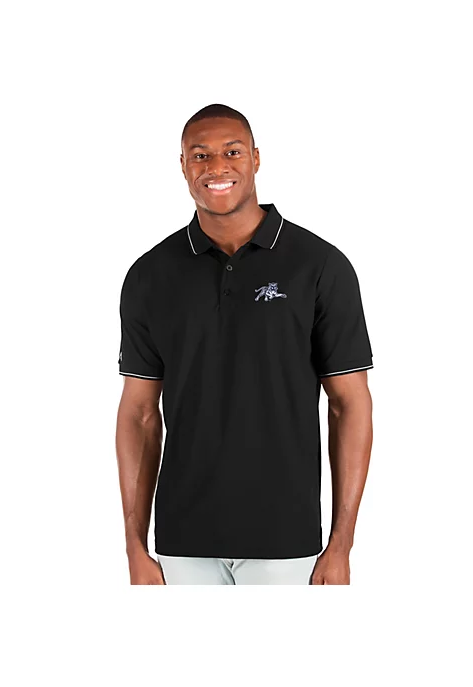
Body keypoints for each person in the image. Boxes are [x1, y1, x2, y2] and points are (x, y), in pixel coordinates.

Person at [115, 103, 373, 585]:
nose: (216, 167)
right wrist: (134, 544)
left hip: (288, 544)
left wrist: (341, 544)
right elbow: (139, 414)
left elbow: (349, 405)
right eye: (200, 155)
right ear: (183, 166)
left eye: (232, 152)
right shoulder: (150, 275)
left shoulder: (319, 266)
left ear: (255, 158)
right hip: (181, 546)